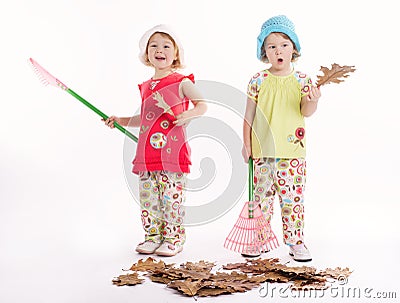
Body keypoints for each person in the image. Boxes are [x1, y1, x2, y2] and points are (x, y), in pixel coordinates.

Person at [104, 24, 207, 257]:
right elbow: (145, 118)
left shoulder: (182, 81)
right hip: (147, 155)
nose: (159, 50)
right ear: (147, 54)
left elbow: (202, 105)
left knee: (171, 198)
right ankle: (153, 236)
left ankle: (173, 238)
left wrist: (187, 115)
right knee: (149, 200)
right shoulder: (147, 86)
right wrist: (120, 119)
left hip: (172, 154)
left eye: (166, 45)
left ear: (176, 53)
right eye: (154, 46)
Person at [242, 15, 321, 262]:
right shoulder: (258, 80)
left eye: (284, 45)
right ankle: (259, 240)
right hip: (262, 151)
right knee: (261, 200)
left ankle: (296, 242)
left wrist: (313, 100)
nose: (278, 50)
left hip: (292, 154)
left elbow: (305, 112)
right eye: (272, 45)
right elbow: (248, 116)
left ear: (293, 49)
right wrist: (246, 144)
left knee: (292, 200)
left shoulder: (302, 81)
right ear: (264, 51)